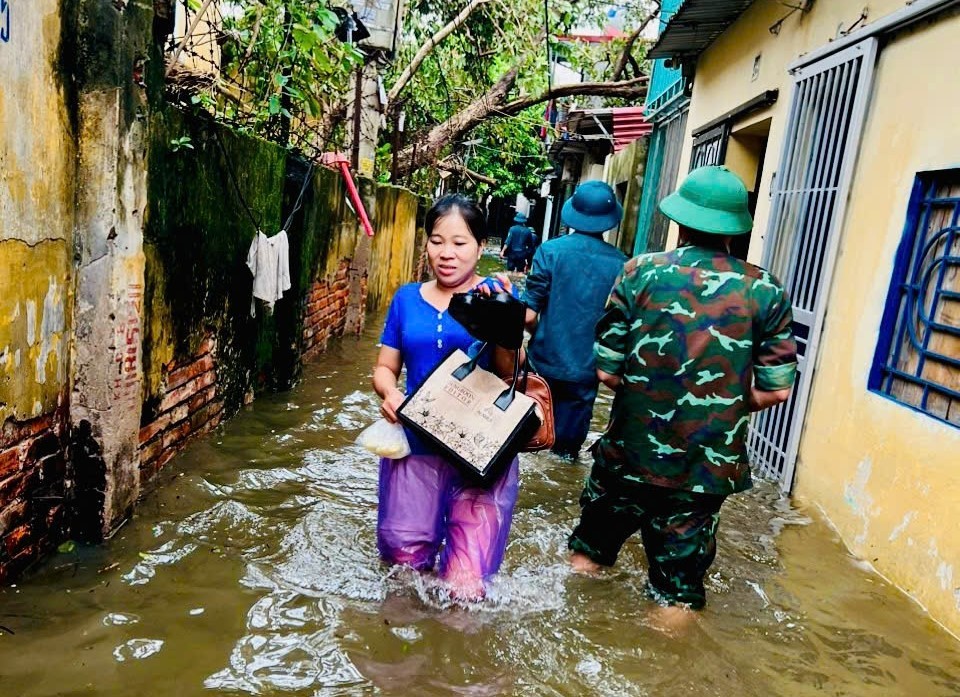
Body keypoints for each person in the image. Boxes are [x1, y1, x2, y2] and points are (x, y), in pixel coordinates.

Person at [567, 166, 798, 625]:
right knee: (676, 592)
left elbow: (607, 371)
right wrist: (726, 402)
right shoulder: (765, 289)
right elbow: (778, 390)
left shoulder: (639, 272)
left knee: (589, 557)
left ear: (680, 219)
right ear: (734, 228)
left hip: (628, 455)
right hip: (704, 468)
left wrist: (650, 392)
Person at [373, 193, 520, 600]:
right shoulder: (405, 299)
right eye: (437, 241)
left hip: (482, 454)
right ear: (426, 243)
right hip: (417, 447)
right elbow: (385, 368)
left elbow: (511, 376)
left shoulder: (494, 295)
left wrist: (504, 317)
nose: (447, 253)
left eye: (460, 243)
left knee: (466, 586)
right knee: (404, 570)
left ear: (480, 246)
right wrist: (390, 393)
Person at [523, 180, 628, 459]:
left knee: (528, 443)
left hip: (543, 361)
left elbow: (528, 315)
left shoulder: (550, 251)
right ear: (609, 221)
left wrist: (539, 332)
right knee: (565, 455)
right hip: (587, 371)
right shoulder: (623, 265)